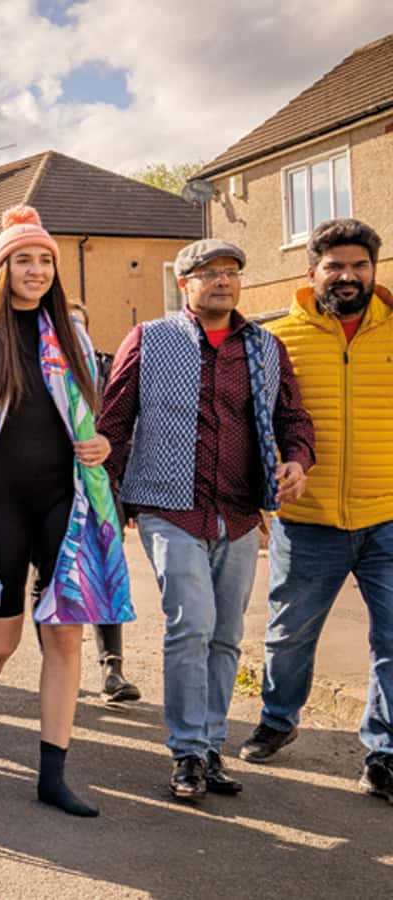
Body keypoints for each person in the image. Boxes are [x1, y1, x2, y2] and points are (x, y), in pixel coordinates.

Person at [97, 239, 314, 801]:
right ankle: (187, 751)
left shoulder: (265, 347)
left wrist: (297, 459)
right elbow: (114, 421)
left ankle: (213, 746)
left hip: (240, 512)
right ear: (185, 284)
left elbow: (292, 415)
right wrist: (106, 502)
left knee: (226, 633)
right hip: (169, 506)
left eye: (232, 272)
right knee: (190, 621)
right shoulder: (149, 339)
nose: (224, 280)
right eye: (210, 272)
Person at [0, 207, 133, 817]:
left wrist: (101, 444)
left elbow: (88, 418)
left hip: (66, 501)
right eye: (24, 259)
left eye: (45, 259)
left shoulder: (66, 330)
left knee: (65, 635)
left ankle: (54, 772)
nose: (37, 269)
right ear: (1, 269)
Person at [240, 218, 393, 804]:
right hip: (307, 522)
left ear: (373, 271)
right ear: (312, 272)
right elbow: (257, 423)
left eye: (358, 265)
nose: (348, 276)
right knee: (287, 636)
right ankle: (278, 719)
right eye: (335, 266)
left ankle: (384, 754)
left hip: (386, 516)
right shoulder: (279, 339)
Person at [70, 303, 142, 704]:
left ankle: (112, 669)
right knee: (51, 578)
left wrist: (124, 490)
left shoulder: (109, 368)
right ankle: (60, 667)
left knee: (107, 569)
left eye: (79, 323)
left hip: (101, 487)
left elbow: (127, 427)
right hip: (51, 491)